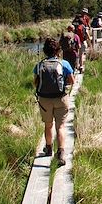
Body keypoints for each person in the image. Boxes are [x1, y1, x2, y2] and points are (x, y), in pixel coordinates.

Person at [33, 38, 75, 166]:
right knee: (60, 126)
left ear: (45, 51)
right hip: (61, 98)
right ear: (58, 50)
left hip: (44, 99)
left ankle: (49, 148)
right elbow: (72, 80)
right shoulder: (64, 64)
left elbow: (36, 83)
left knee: (48, 124)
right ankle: (61, 153)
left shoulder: (39, 65)